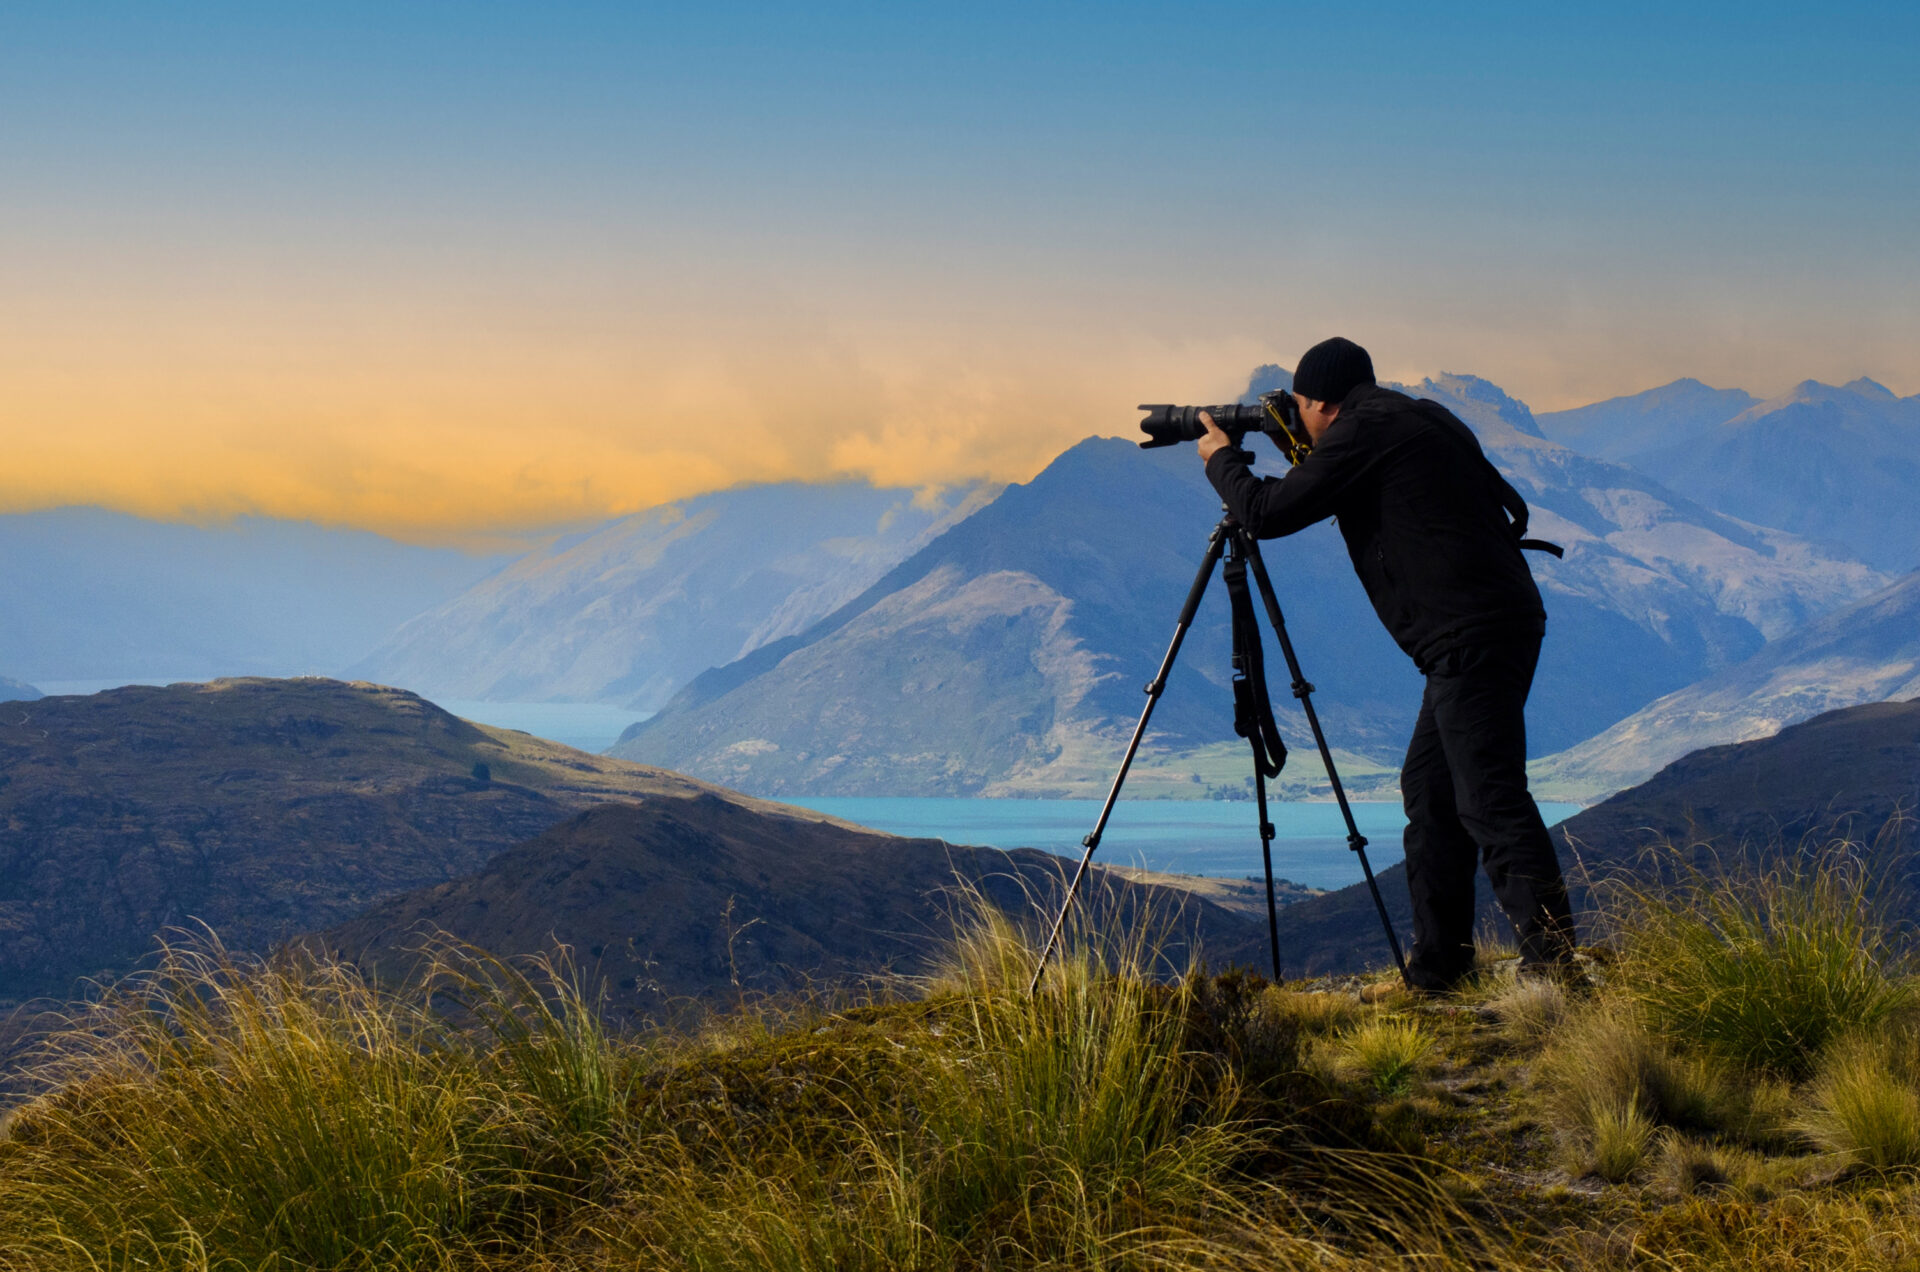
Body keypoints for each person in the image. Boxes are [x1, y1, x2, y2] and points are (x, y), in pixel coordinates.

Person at [1196, 336, 1576, 993]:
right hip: (1493, 625)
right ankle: (1440, 968)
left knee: (1489, 796)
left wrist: (1220, 458)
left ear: (1319, 404)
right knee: (1432, 793)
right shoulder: (1413, 416)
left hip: (1473, 634)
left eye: (1302, 412)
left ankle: (1555, 972)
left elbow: (1265, 513)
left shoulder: (1362, 431)